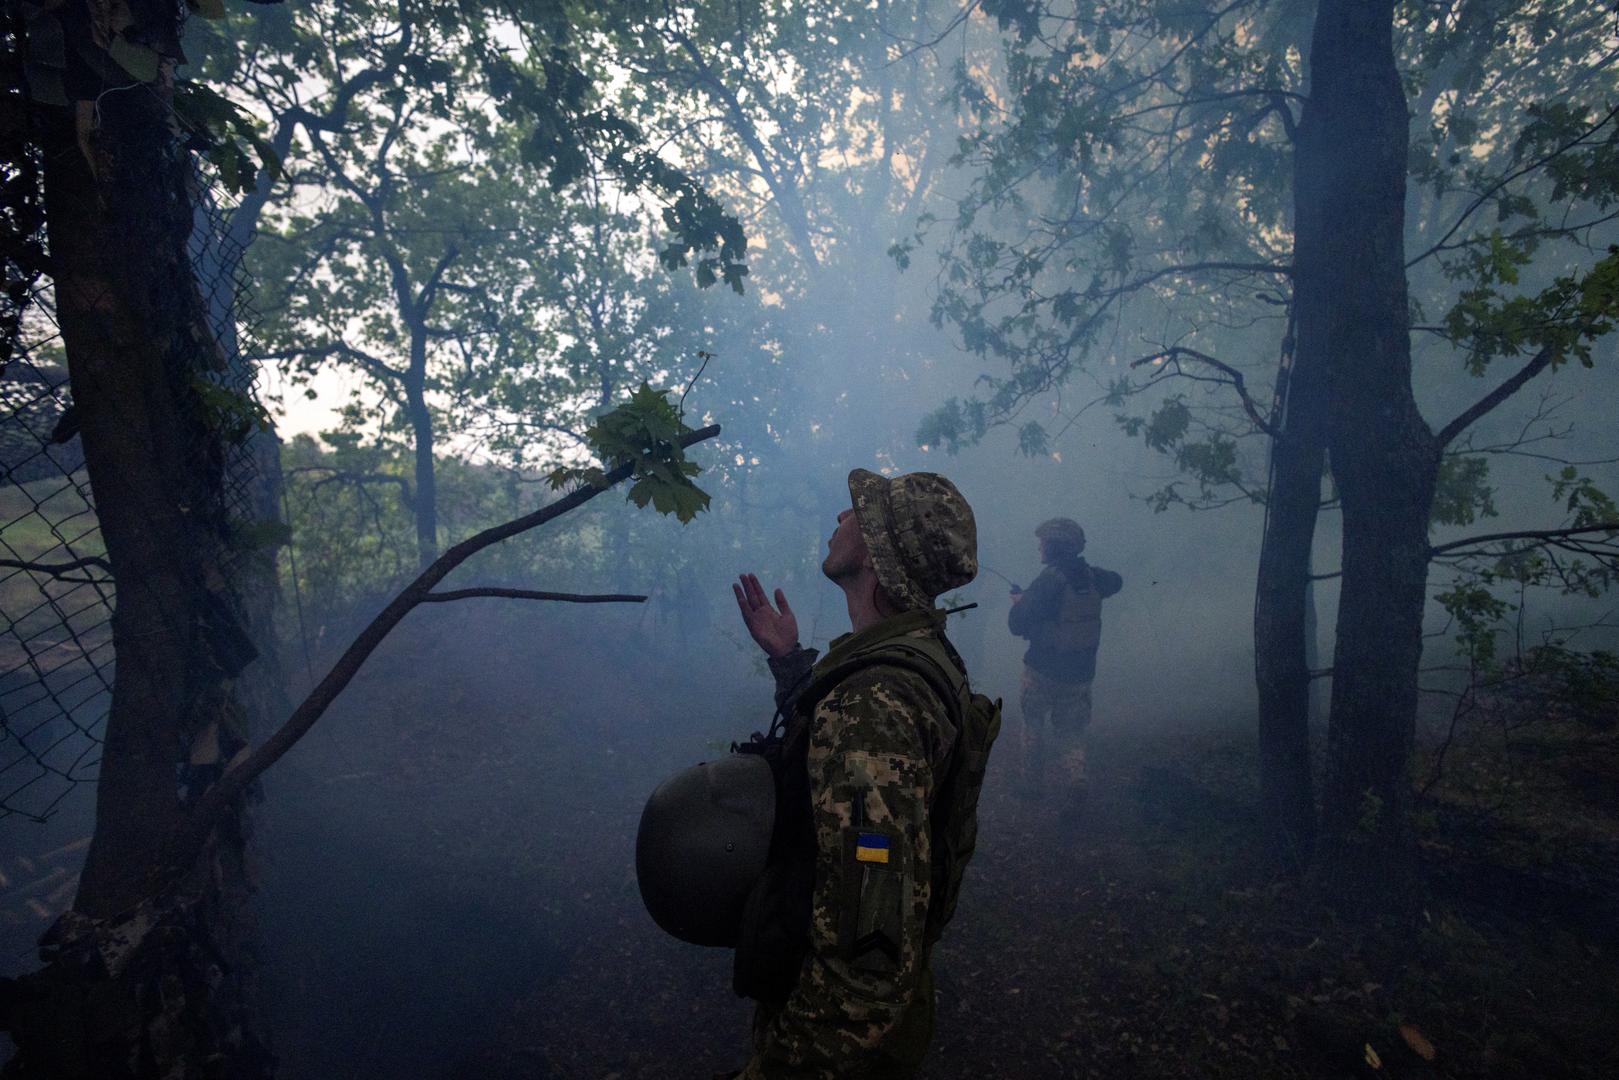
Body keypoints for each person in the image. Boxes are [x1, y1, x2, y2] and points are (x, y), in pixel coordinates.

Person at [725, 468, 983, 1080]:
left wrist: (782, 1067)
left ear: (878, 551)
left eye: (856, 514)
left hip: (840, 1045)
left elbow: (866, 954)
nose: (841, 520)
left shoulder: (877, 699)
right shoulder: (911, 658)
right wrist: (791, 664)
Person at [1007, 517, 1123, 808]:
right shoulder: (1094, 577)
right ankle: (1076, 780)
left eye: (1043, 543)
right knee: (1071, 731)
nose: (1039, 549)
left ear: (1055, 547)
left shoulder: (1049, 579)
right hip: (1081, 673)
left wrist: (1020, 603)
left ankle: (1031, 785)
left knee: (1033, 723)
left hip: (1042, 670)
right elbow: (1116, 581)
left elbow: (1017, 625)